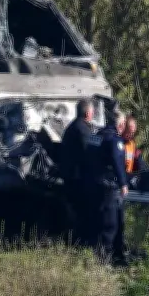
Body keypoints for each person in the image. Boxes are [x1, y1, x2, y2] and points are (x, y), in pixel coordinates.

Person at [83, 110, 129, 266]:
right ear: (121, 124)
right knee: (111, 224)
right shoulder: (114, 140)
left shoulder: (95, 137)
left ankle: (104, 257)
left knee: (97, 222)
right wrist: (123, 183)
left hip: (92, 185)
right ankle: (106, 260)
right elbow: (117, 162)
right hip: (108, 187)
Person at [61, 98, 96, 246]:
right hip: (78, 178)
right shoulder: (83, 130)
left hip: (70, 176)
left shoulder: (72, 127)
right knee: (81, 212)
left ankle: (74, 240)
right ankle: (79, 242)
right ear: (88, 113)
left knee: (73, 211)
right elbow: (88, 153)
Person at [122, 115, 147, 182]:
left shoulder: (132, 143)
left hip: (129, 178)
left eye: (133, 133)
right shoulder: (118, 143)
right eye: (129, 132)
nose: (131, 135)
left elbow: (137, 162)